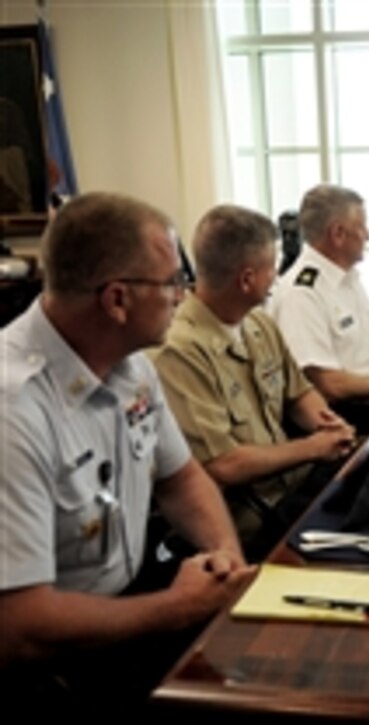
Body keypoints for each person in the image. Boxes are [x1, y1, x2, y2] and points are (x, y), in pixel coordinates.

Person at [0, 192, 254, 709]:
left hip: (128, 603)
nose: (183, 297)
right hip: (47, 666)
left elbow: (181, 478)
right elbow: (20, 627)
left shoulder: (129, 364)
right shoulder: (14, 409)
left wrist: (225, 556)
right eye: (171, 283)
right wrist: (175, 608)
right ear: (117, 300)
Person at [151, 205, 357, 558]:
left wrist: (329, 425)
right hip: (249, 526)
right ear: (247, 279)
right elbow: (224, 464)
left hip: (298, 493)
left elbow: (300, 394)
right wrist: (312, 448)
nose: (276, 278)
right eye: (272, 269)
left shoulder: (258, 324)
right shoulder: (179, 351)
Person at [270, 184, 369, 433]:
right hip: (348, 419)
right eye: (362, 227)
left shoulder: (346, 278)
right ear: (338, 234)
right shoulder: (301, 294)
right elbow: (329, 385)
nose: (368, 235)